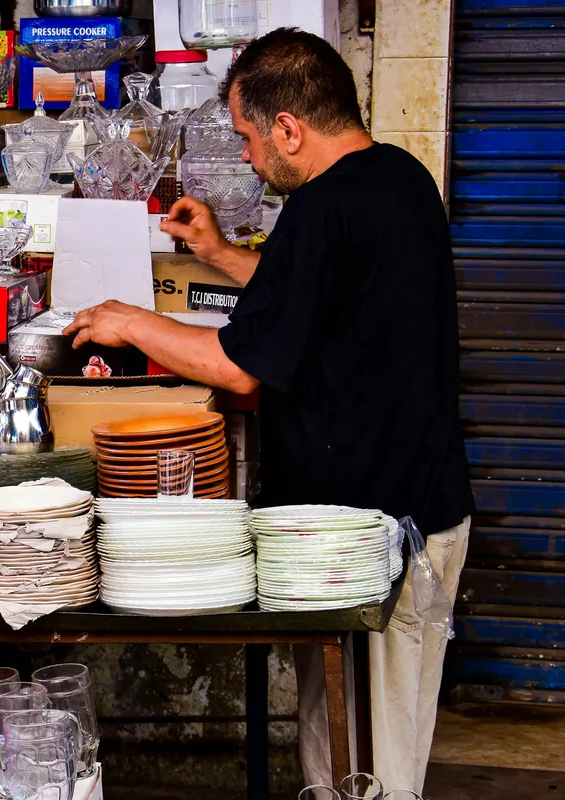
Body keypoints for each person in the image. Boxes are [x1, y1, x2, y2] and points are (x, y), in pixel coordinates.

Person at [62, 28, 474, 793]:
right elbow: (315, 294)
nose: (248, 157)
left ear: (290, 127)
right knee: (375, 748)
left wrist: (131, 320)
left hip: (373, 540)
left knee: (365, 774)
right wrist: (218, 253)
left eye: (250, 137)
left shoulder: (322, 209)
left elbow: (242, 368)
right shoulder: (398, 180)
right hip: (426, 514)